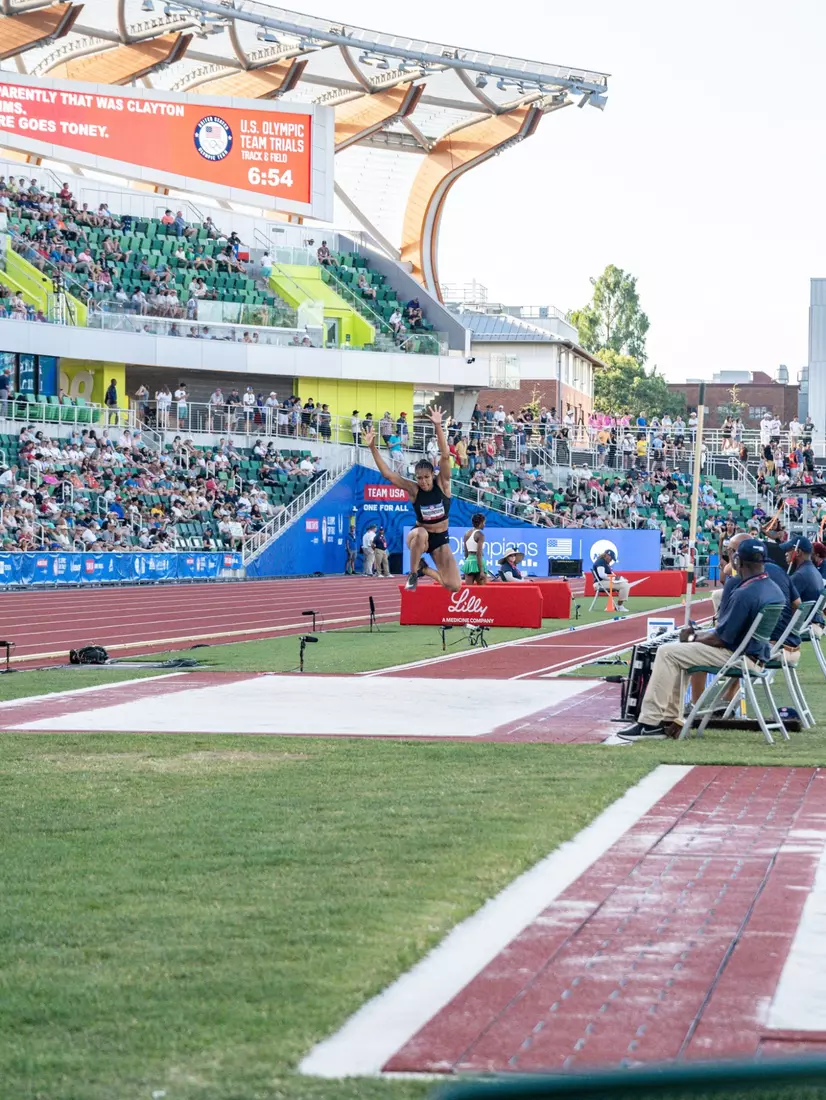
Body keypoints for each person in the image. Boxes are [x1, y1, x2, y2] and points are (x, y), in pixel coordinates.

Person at [618, 538, 785, 741]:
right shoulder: (773, 588)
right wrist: (696, 638)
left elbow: (721, 639)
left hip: (738, 655)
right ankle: (670, 718)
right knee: (679, 655)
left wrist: (692, 636)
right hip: (756, 654)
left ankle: (650, 722)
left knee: (667, 652)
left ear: (738, 561)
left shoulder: (745, 593)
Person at [366, 405, 461, 593]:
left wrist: (438, 426)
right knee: (422, 533)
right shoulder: (414, 490)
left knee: (454, 586)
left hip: (440, 539)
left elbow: (444, 455)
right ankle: (413, 574)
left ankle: (423, 568)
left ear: (432, 475)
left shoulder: (442, 484)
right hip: (419, 536)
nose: (423, 482)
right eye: (419, 478)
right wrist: (372, 447)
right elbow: (388, 475)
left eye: (426, 478)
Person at [592, 548, 631, 613]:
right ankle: (620, 606)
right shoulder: (600, 562)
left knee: (625, 583)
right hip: (600, 583)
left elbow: (611, 574)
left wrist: (619, 579)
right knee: (625, 586)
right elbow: (602, 575)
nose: (611, 560)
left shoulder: (605, 563)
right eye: (611, 558)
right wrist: (613, 579)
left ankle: (619, 605)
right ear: (607, 556)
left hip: (604, 582)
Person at [462, 513, 487, 585]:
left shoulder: (467, 534)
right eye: (484, 523)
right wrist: (481, 571)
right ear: (481, 523)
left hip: (469, 561)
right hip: (479, 562)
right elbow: (478, 554)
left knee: (469, 590)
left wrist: (468, 563)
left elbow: (466, 552)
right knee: (483, 592)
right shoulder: (480, 535)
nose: (484, 525)